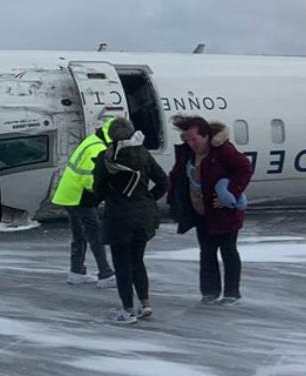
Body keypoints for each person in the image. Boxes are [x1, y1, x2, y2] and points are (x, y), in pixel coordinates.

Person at [168, 116, 253, 305]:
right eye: (187, 139)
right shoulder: (187, 154)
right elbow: (177, 176)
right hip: (200, 212)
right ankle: (210, 292)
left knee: (228, 250)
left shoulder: (223, 151)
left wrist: (229, 194)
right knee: (207, 252)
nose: (191, 143)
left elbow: (244, 168)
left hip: (224, 213)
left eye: (194, 139)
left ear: (205, 136)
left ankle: (232, 292)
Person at [92, 118, 169, 324]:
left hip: (119, 216)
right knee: (137, 260)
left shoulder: (106, 157)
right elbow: (163, 181)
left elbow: (98, 188)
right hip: (143, 215)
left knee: (122, 264)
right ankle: (145, 304)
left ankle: (127, 309)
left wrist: (103, 195)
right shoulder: (143, 154)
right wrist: (149, 198)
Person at [50, 118, 117, 288]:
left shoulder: (92, 140)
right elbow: (90, 178)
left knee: (79, 234)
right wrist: (103, 193)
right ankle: (105, 273)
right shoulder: (98, 149)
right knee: (94, 233)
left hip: (69, 194)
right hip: (80, 197)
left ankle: (77, 271)